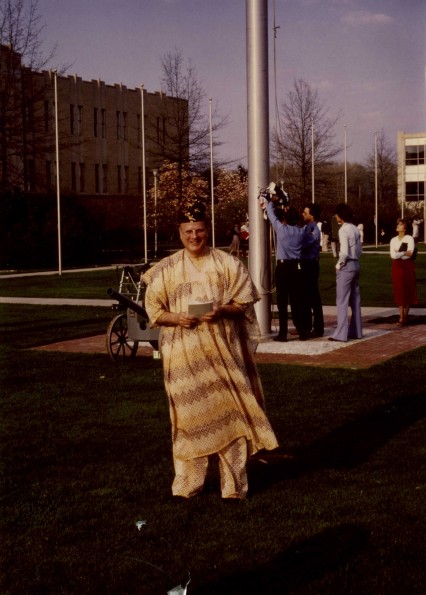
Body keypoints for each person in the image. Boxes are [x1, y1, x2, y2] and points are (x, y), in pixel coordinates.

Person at [142, 200, 278, 500]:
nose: (194, 236)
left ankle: (233, 488)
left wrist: (220, 310)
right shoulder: (165, 270)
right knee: (188, 420)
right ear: (179, 233)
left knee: (231, 415)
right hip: (182, 357)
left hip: (223, 355)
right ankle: (188, 486)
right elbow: (153, 311)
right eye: (188, 231)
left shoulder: (227, 264)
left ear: (208, 230)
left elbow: (244, 303)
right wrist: (177, 317)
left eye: (200, 230)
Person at [264, 199, 308, 342]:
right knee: (297, 301)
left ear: (285, 219)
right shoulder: (301, 232)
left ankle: (283, 333)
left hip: (283, 267)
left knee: (282, 302)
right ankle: (302, 331)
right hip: (297, 267)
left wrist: (271, 201)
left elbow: (271, 214)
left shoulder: (282, 230)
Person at [329, 203, 363, 342]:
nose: (336, 216)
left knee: (342, 301)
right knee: (355, 300)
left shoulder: (343, 230)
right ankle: (356, 331)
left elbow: (343, 252)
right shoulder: (355, 229)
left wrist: (338, 265)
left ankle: (341, 334)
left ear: (340, 216)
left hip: (346, 265)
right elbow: (360, 250)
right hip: (356, 264)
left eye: (337, 214)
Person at [301, 203, 324, 338]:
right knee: (306, 296)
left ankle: (318, 327)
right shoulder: (306, 227)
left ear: (312, 215)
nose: (303, 215)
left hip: (311, 265)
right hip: (305, 264)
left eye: (305, 212)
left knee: (313, 297)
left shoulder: (314, 230)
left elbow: (304, 244)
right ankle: (307, 325)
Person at [390, 218, 418, 326]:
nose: (398, 226)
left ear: (404, 228)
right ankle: (401, 316)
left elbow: (410, 253)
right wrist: (403, 253)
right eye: (397, 224)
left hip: (407, 266)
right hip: (397, 266)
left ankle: (405, 316)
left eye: (400, 224)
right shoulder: (393, 240)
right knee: (399, 289)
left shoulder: (409, 238)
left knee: (408, 289)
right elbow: (392, 255)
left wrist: (399, 253)